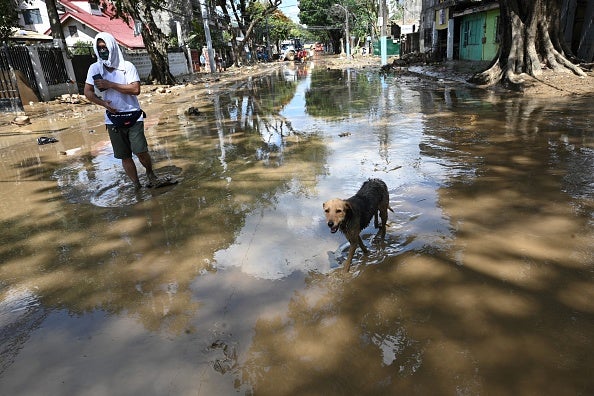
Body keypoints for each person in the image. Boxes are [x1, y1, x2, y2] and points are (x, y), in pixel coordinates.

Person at [84, 32, 158, 189]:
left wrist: (110, 84)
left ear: (112, 47)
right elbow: (88, 92)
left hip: (133, 116)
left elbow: (135, 89)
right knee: (124, 155)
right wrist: (103, 103)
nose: (102, 50)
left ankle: (150, 173)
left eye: (105, 47)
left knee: (140, 151)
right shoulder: (95, 68)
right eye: (99, 48)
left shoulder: (127, 67)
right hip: (113, 119)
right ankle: (137, 185)